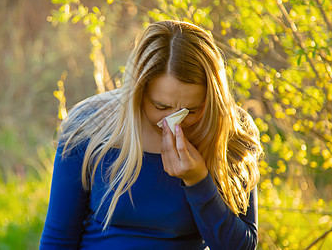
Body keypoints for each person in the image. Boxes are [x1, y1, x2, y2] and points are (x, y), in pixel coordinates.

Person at [40, 20, 263, 249]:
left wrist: (198, 181)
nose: (174, 122)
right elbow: (58, 239)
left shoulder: (232, 131)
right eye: (161, 106)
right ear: (138, 92)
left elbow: (240, 246)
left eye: (192, 110)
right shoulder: (89, 125)